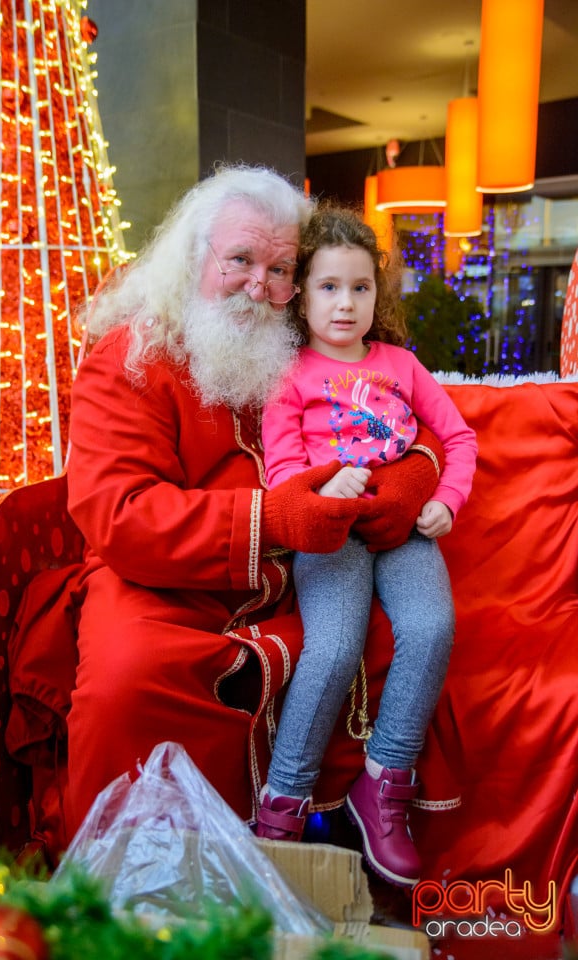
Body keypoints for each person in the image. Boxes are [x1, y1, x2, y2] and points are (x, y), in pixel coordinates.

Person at [63, 165, 447, 843]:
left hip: (293, 580)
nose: (260, 287)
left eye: (280, 269)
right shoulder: (131, 355)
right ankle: (132, 881)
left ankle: (330, 833)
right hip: (161, 585)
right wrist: (274, 518)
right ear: (193, 259)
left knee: (401, 636)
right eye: (240, 260)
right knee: (126, 680)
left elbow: (395, 406)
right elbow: (119, 513)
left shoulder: (304, 336)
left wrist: (417, 470)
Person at [258, 206, 478, 887]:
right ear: (302, 292)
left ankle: (384, 784)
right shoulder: (288, 376)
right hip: (333, 535)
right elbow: (281, 473)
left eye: (360, 288)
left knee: (432, 625)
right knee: (333, 645)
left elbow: (460, 438)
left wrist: (446, 501)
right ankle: (282, 802)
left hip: (405, 530)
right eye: (329, 287)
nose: (346, 303)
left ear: (377, 295)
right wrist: (328, 481)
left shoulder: (401, 366)